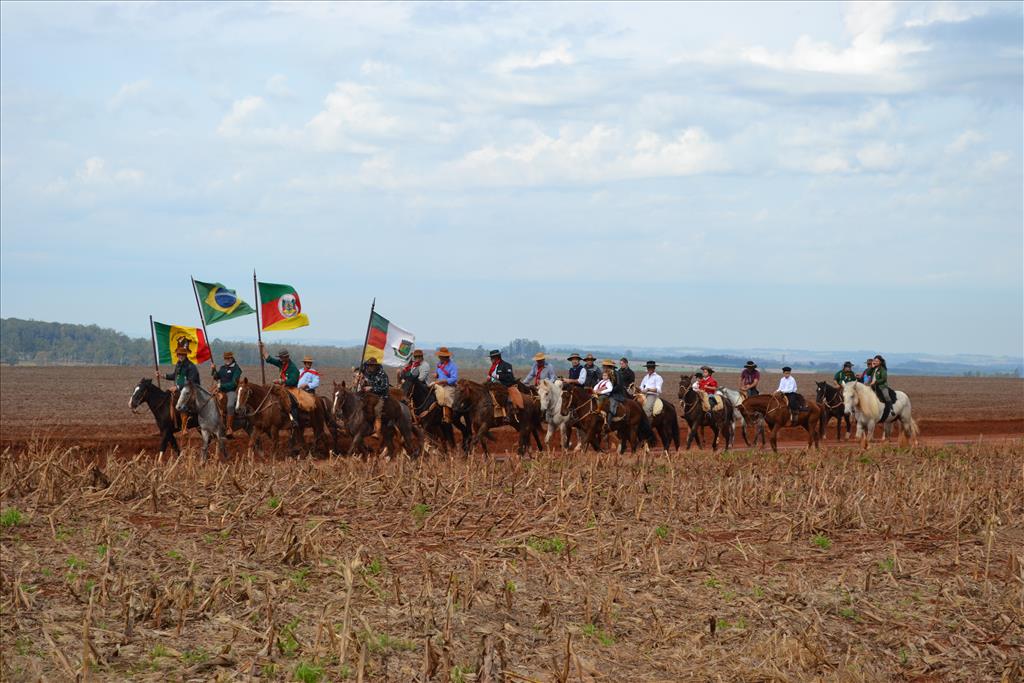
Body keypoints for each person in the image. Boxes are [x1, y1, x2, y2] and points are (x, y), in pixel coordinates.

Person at [261, 343, 301, 423]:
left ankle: (294, 420)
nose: (281, 359)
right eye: (280, 358)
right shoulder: (281, 363)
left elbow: (292, 381)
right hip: (281, 388)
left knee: (292, 403)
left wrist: (281, 381)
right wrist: (262, 347)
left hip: (291, 389)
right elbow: (269, 359)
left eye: (282, 358)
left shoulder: (293, 368)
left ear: (287, 357)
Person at [212, 350, 242, 435]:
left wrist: (221, 386)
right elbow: (216, 377)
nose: (227, 360)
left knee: (230, 405)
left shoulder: (237, 369)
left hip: (231, 391)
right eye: (225, 358)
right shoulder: (222, 368)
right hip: (220, 391)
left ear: (232, 358)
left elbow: (234, 383)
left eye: (228, 358)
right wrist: (213, 369)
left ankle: (229, 428)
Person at [361, 357, 390, 436]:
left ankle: (377, 431)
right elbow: (361, 371)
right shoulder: (367, 372)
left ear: (376, 366)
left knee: (377, 410)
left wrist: (372, 388)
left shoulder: (382, 374)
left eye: (372, 365)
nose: (370, 367)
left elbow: (384, 387)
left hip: (381, 396)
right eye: (369, 365)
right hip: (370, 395)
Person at [431, 347, 459, 423]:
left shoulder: (453, 366)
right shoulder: (439, 365)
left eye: (441, 356)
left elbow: (454, 378)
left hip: (448, 386)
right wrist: (436, 375)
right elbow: (439, 373)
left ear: (446, 357)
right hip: (439, 384)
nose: (439, 357)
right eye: (439, 356)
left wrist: (445, 381)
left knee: (446, 396)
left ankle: (447, 416)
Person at [605, 359, 629, 426]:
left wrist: (610, 391)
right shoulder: (605, 374)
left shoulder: (617, 374)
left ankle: (608, 424)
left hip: (616, 394)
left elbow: (619, 385)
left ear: (610, 367)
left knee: (612, 405)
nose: (605, 368)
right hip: (606, 393)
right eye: (605, 366)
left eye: (606, 366)